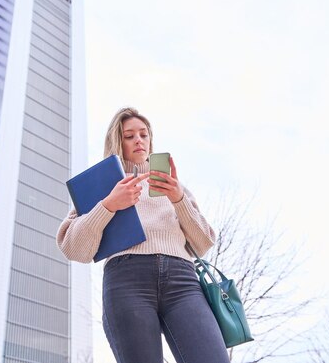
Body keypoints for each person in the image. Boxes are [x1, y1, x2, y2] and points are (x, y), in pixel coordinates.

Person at [56, 107, 229, 363]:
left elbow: (203, 242)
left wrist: (178, 199)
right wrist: (109, 205)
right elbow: (74, 248)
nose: (139, 140)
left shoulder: (172, 185)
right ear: (118, 141)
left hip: (182, 281)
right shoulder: (103, 186)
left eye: (143, 134)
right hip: (127, 281)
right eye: (129, 136)